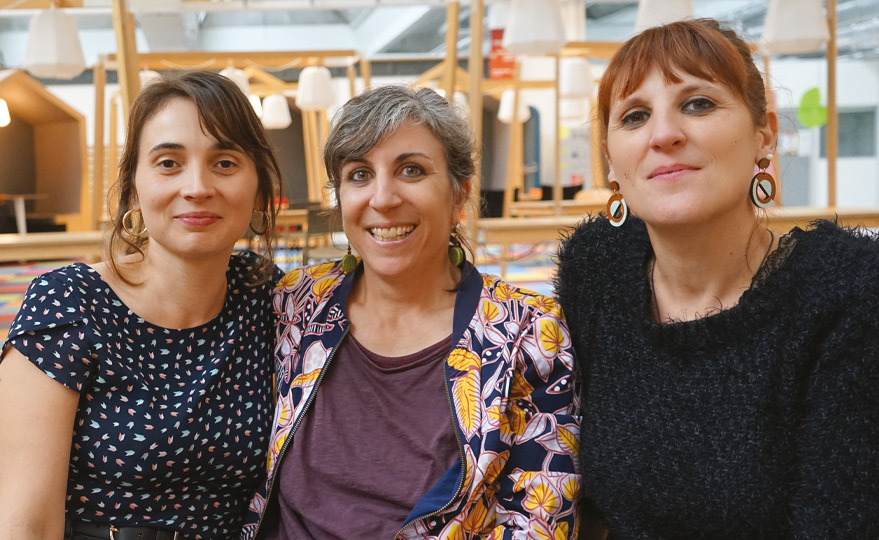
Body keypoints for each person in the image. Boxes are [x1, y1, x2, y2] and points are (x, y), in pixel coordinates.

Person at [554, 18, 879, 540]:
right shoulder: (596, 273)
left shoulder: (846, 294)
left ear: (764, 134)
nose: (664, 134)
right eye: (635, 116)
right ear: (611, 162)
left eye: (698, 103)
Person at [242, 85, 581, 539]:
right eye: (359, 174)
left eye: (411, 170)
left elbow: (540, 519)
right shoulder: (295, 305)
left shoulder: (526, 332)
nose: (382, 198)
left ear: (459, 195)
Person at [0, 70, 284, 540]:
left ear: (257, 187)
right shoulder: (69, 303)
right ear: (134, 187)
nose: (197, 186)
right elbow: (23, 523)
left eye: (225, 163)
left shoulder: (270, 299)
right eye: (169, 163)